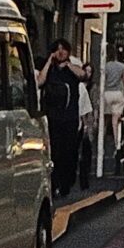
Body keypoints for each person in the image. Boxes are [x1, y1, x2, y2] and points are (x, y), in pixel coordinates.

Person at [39, 41, 82, 199]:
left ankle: (66, 183)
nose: (60, 52)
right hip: (53, 118)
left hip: (69, 118)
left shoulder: (72, 70)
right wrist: (49, 61)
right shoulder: (50, 69)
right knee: (54, 152)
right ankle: (55, 183)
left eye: (63, 49)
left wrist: (69, 65)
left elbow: (83, 75)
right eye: (57, 50)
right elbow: (40, 81)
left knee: (68, 152)